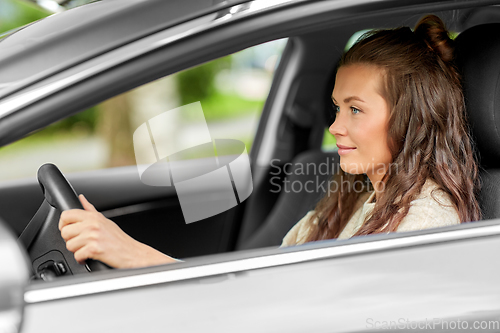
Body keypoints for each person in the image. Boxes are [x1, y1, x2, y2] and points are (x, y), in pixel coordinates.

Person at [59, 15, 481, 268]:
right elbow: (263, 277)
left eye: (355, 109)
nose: (334, 127)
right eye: (335, 108)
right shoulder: (355, 193)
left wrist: (133, 255)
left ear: (412, 119)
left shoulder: (426, 224)